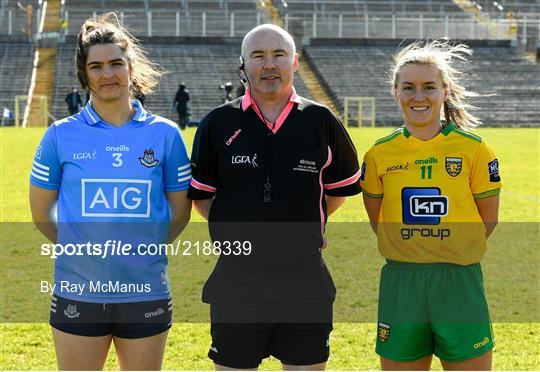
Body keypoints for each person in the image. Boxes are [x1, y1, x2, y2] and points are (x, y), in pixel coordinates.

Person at [188, 24, 361, 370]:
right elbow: (203, 198)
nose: (269, 64)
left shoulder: (322, 120)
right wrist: (238, 229)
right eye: (258, 56)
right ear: (243, 65)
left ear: (295, 62)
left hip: (304, 280)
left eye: (279, 55)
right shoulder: (218, 123)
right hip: (237, 281)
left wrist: (303, 226)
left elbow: (337, 192)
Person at [29, 13, 191, 370]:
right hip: (78, 293)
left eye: (116, 63)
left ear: (130, 67)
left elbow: (179, 213)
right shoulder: (60, 135)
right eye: (97, 66)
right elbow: (42, 214)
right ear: (84, 73)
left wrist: (140, 248)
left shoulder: (165, 136)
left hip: (145, 291)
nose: (108, 74)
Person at [360, 40, 501, 371]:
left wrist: (449, 248)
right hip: (402, 283)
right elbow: (377, 220)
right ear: (395, 91)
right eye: (408, 87)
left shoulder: (475, 150)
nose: (418, 96)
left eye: (428, 87)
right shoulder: (378, 155)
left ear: (444, 91)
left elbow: (488, 220)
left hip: (459, 282)